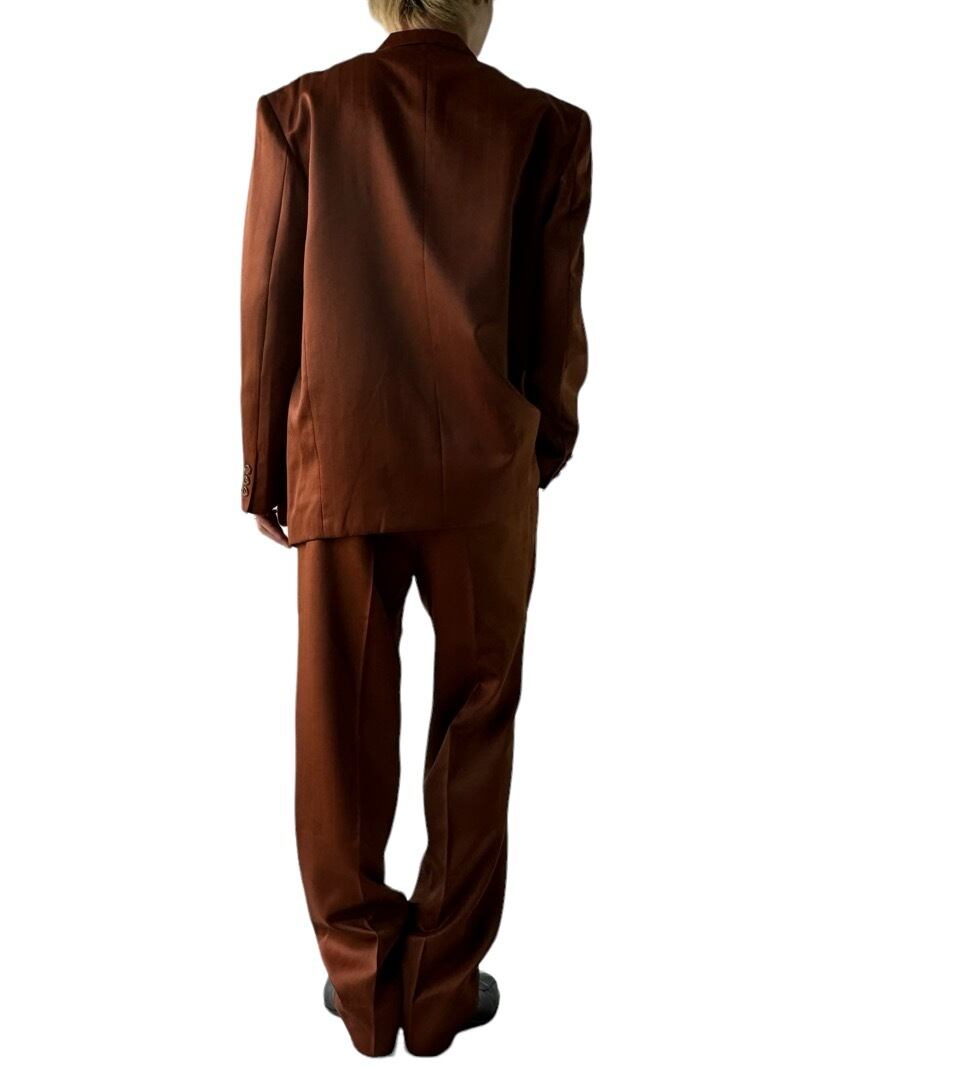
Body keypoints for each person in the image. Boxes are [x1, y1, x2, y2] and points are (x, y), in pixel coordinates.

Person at [239, 0, 591, 1057]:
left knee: (338, 719)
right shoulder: (544, 126)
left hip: (340, 456)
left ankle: (362, 981)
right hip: (484, 468)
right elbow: (554, 317)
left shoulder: (302, 113)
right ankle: (439, 985)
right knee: (478, 713)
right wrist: (543, 443)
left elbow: (268, 299)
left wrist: (265, 467)